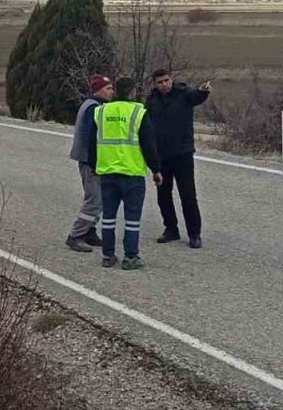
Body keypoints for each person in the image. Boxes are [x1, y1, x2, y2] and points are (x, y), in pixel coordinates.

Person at [79, 77, 162, 270]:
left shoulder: (101, 112)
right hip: (131, 173)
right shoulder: (138, 112)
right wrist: (156, 169)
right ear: (133, 92)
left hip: (107, 172)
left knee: (108, 217)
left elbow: (92, 143)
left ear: (116, 91)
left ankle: (108, 256)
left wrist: (93, 165)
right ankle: (130, 256)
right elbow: (149, 145)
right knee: (132, 218)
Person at [145, 69, 211, 249]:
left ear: (171, 79)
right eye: (160, 82)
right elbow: (146, 126)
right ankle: (171, 229)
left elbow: (197, 97)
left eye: (166, 80)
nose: (164, 84)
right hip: (161, 155)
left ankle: (194, 234)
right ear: (155, 84)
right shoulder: (151, 101)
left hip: (183, 153)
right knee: (163, 195)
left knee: (188, 195)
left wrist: (203, 91)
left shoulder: (183, 92)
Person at [65, 74, 115, 253]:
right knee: (94, 200)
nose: (112, 92)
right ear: (98, 90)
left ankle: (89, 231)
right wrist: (95, 163)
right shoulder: (93, 108)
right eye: (108, 88)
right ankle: (76, 236)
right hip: (90, 162)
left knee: (100, 199)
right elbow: (91, 139)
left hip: (93, 161)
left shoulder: (95, 105)